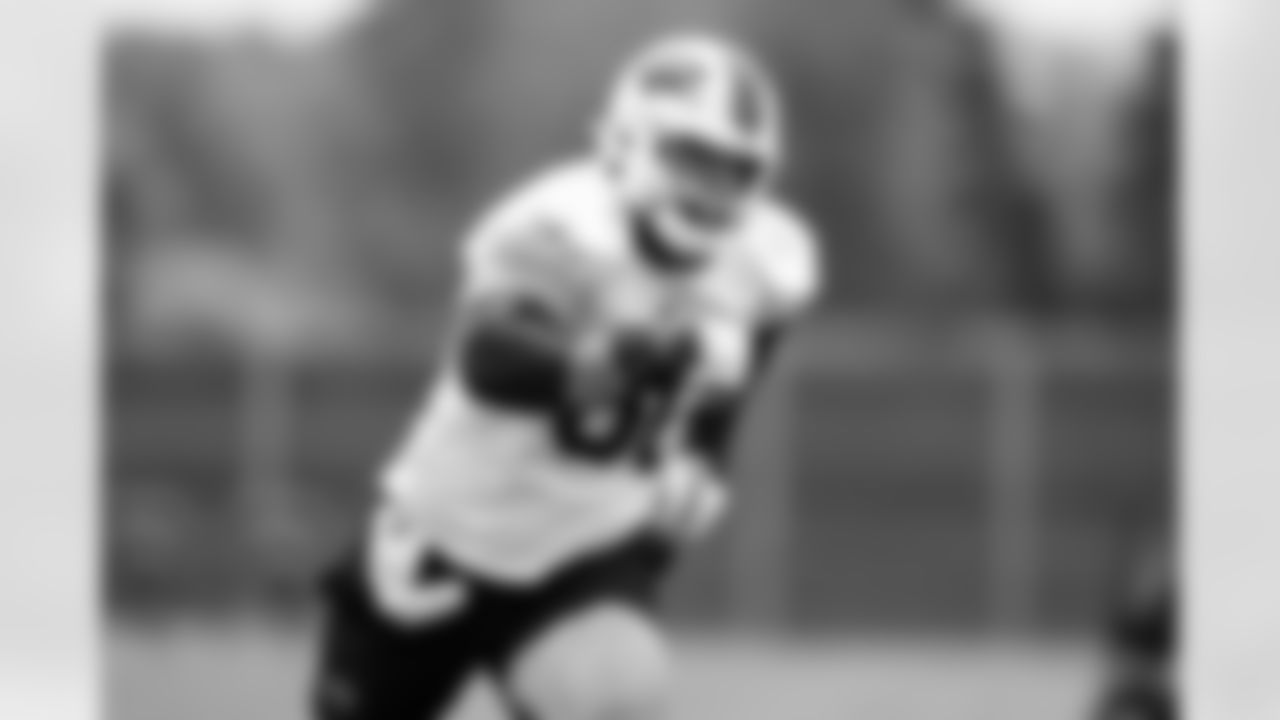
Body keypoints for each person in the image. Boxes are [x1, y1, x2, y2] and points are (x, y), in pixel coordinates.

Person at [310, 32, 822, 720]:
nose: (712, 188)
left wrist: (706, 453)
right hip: (438, 545)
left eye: (735, 169)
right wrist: (594, 362)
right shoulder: (563, 224)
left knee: (616, 699)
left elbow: (741, 363)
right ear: (625, 142)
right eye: (691, 156)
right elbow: (490, 355)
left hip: (582, 555)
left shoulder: (767, 260)